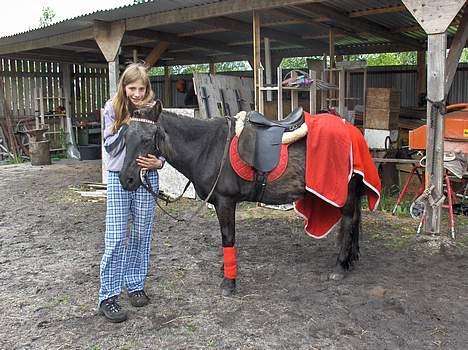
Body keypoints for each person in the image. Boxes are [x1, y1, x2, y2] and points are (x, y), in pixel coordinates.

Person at [98, 62, 165, 323]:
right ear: (123, 87)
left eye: (141, 88)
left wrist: (159, 163)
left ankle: (135, 284)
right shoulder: (112, 108)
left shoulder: (153, 109)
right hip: (118, 178)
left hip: (147, 177)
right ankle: (108, 296)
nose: (137, 93)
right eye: (132, 88)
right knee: (115, 238)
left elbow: (163, 144)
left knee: (141, 233)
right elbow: (110, 148)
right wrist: (127, 126)